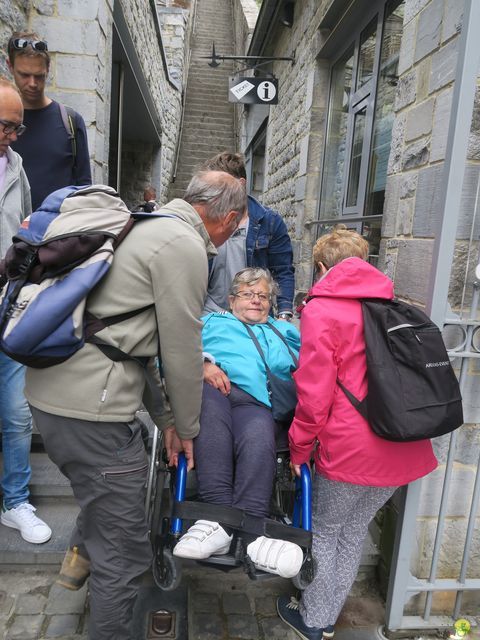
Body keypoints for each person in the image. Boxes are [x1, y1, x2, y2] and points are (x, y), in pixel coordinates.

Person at [24, 170, 246, 640]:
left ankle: (81, 556)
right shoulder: (183, 247)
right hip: (90, 411)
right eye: (236, 228)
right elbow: (181, 350)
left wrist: (164, 421)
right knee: (125, 555)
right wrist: (189, 429)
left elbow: (131, 346)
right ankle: (99, 571)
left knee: (125, 461)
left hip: (54, 397)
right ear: (227, 219)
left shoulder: (144, 225)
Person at [276, 227, 438, 639]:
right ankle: (325, 614)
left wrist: (299, 448)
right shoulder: (392, 305)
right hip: (403, 445)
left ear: (321, 267)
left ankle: (314, 620)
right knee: (351, 533)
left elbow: (314, 394)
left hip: (350, 448)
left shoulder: (323, 310)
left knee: (327, 533)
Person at [172, 267, 304, 579]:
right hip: (211, 389)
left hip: (256, 403)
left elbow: (305, 371)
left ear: (271, 303)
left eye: (263, 296)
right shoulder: (210, 323)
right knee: (208, 403)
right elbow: (172, 356)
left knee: (258, 432)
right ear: (232, 300)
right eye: (248, 294)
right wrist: (203, 364)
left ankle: (250, 530)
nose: (256, 301)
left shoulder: (284, 332)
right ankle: (218, 515)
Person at [0, 76, 52, 545]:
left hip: (9, 308)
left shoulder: (16, 167)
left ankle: (14, 501)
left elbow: (28, 229)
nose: (14, 137)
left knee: (17, 413)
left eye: (17, 128)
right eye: (6, 126)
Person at [201, 152, 295, 320]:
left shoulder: (269, 222)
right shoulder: (205, 219)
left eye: (219, 187)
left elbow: (283, 272)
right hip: (210, 317)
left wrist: (284, 315)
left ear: (240, 184)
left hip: (252, 319)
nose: (213, 194)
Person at [7, 32, 92, 210]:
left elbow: (85, 192)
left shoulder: (70, 121)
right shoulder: (2, 124)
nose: (32, 83)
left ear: (48, 69)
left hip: (57, 234)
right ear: (10, 66)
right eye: (24, 75)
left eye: (39, 76)